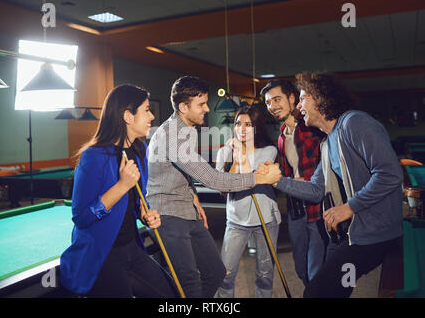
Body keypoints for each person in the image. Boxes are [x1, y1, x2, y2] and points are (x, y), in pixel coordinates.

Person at [268, 72, 403, 297]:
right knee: (334, 288)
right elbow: (315, 190)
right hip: (353, 235)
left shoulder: (354, 122)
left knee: (318, 292)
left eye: (302, 98)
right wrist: (277, 181)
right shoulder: (328, 142)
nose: (298, 106)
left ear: (320, 98)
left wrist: (349, 207)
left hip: (375, 236)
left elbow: (390, 173)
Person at [146, 76, 281, 298]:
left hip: (186, 209)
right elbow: (213, 179)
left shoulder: (187, 129)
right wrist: (259, 178)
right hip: (167, 215)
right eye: (201, 104)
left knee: (216, 272)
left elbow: (184, 173)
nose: (207, 109)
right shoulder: (172, 136)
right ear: (183, 107)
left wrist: (194, 198)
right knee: (189, 283)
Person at [59, 84, 178, 298]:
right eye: (147, 110)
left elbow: (137, 200)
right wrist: (121, 186)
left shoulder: (140, 150)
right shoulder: (93, 157)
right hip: (102, 255)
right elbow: (82, 217)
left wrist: (145, 213)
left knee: (171, 296)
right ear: (127, 116)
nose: (151, 116)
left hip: (132, 247)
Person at [260, 79, 327, 286]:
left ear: (292, 98)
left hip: (318, 208)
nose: (272, 106)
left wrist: (300, 180)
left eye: (277, 99)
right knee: (300, 268)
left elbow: (325, 168)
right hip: (296, 208)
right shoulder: (281, 135)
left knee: (317, 270)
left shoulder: (311, 127)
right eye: (268, 103)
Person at [215, 105, 282, 298]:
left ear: (256, 128)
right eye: (238, 124)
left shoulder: (268, 151)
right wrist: (235, 159)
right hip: (236, 221)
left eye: (248, 124)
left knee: (265, 274)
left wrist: (241, 156)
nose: (241, 128)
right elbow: (223, 187)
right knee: (225, 274)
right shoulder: (224, 153)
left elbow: (248, 181)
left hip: (265, 220)